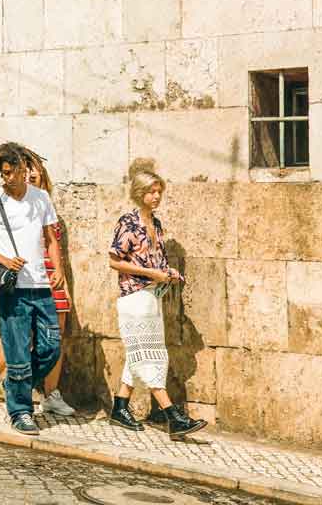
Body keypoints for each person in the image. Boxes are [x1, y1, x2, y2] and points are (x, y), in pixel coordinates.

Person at [107, 159, 207, 439]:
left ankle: (119, 407)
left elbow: (156, 261)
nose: (157, 196)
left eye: (159, 191)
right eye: (152, 191)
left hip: (151, 297)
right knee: (150, 355)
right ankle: (173, 416)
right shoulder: (128, 223)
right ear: (140, 193)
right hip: (133, 297)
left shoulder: (157, 225)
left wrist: (168, 273)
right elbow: (114, 261)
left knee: (139, 353)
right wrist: (148, 272)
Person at [0, 142, 65, 436]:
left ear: (26, 170)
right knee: (17, 354)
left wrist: (59, 270)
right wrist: (5, 260)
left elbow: (51, 239)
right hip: (12, 289)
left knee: (51, 347)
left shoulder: (41, 198)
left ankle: (15, 384)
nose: (9, 179)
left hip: (41, 285)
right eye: (4, 173)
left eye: (14, 173)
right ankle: (21, 411)